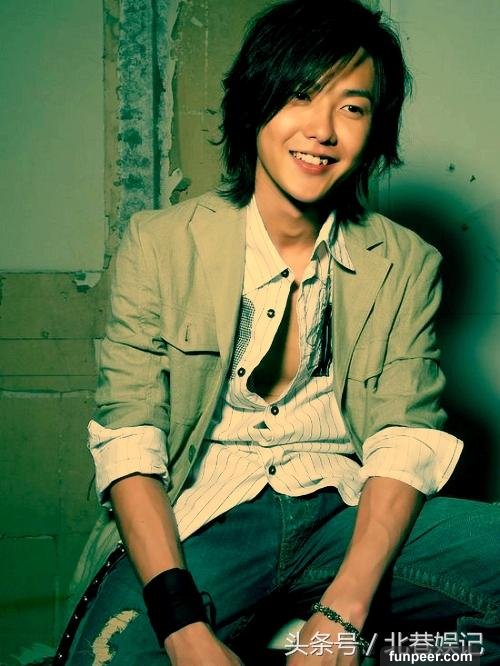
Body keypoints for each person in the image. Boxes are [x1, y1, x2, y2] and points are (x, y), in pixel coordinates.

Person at [57, 0, 500, 664]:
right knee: (111, 656)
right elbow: (130, 441)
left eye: (352, 108)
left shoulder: (406, 262)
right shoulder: (161, 244)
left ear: (375, 128)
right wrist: (183, 628)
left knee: (456, 635)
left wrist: (343, 614)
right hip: (204, 516)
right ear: (255, 105)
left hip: (344, 511)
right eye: (299, 95)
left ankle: (346, 647)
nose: (322, 130)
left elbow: (404, 436)